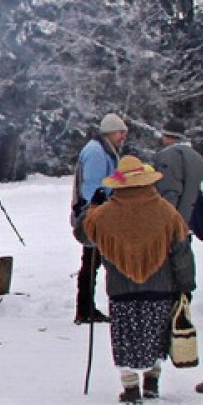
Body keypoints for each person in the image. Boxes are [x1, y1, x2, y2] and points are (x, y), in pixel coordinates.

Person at [74, 155, 195, 403]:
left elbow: (83, 235)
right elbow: (181, 251)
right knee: (157, 337)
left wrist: (92, 207)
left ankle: (130, 388)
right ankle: (152, 382)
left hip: (121, 290)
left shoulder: (105, 214)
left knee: (125, 338)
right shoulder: (166, 211)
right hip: (160, 288)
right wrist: (185, 286)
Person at [72, 113, 127, 324]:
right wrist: (98, 211)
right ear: (111, 132)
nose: (123, 137)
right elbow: (93, 187)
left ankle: (87, 307)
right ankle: (84, 309)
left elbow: (111, 177)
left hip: (99, 213)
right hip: (95, 214)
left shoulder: (104, 149)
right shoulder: (96, 152)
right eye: (120, 132)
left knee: (92, 262)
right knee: (92, 262)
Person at [153, 119, 203, 222]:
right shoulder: (198, 158)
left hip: (173, 222)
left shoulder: (169, 156)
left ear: (165, 135)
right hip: (191, 221)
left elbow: (169, 190)